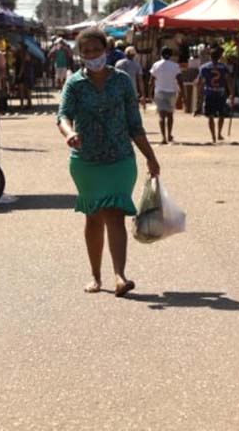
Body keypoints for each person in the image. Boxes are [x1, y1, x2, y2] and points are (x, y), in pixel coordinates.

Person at [57, 26, 160, 297]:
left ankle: (120, 276)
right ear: (80, 55)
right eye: (86, 51)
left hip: (120, 159)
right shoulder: (74, 83)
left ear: (106, 50)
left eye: (96, 49)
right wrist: (70, 134)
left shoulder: (123, 81)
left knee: (115, 213)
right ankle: (95, 275)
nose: (92, 55)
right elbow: (63, 115)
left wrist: (150, 157)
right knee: (93, 217)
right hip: (86, 160)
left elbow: (134, 124)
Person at [196, 45, 234, 142]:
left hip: (209, 93)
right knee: (221, 115)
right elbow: (229, 80)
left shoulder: (204, 67)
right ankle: (219, 133)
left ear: (210, 57)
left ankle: (213, 136)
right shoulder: (223, 67)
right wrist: (232, 93)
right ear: (219, 57)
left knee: (210, 116)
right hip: (221, 93)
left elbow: (199, 81)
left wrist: (199, 93)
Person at [150, 47, 181, 144]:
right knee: (170, 115)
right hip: (172, 91)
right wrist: (182, 92)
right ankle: (169, 135)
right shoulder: (175, 66)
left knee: (161, 116)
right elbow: (180, 79)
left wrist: (148, 93)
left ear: (161, 54)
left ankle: (163, 137)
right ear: (171, 55)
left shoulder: (156, 65)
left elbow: (151, 81)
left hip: (159, 92)